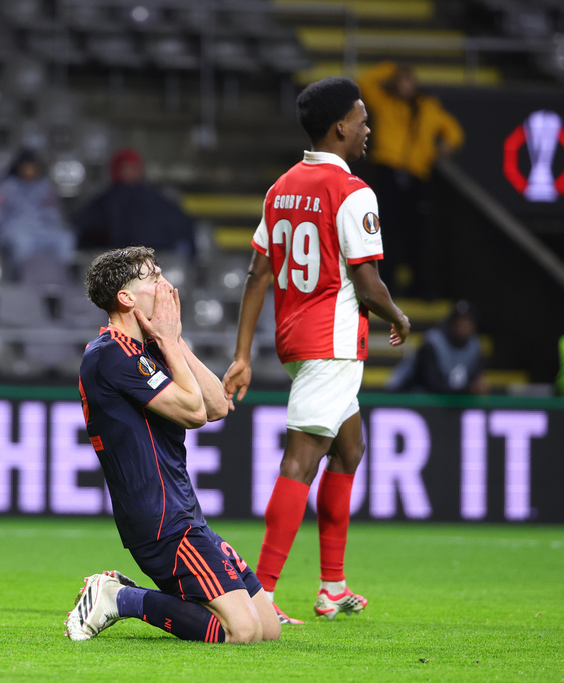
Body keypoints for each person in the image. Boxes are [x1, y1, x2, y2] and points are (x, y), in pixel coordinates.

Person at [222, 77, 411, 624]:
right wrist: (397, 317)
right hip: (331, 342)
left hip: (297, 340)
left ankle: (332, 586)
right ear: (339, 128)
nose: (368, 128)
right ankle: (262, 597)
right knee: (300, 462)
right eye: (362, 119)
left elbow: (258, 273)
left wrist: (241, 354)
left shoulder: (281, 188)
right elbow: (368, 283)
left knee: (350, 450)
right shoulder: (353, 192)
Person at [65, 246, 280, 645]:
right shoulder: (110, 353)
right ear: (126, 298)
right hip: (160, 520)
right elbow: (194, 413)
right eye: (154, 277)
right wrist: (167, 338)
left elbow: (217, 405)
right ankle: (119, 598)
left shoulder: (149, 348)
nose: (167, 286)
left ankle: (129, 597)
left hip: (185, 512)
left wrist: (172, 341)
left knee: (268, 628)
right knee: (242, 632)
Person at [358, 61, 464, 298]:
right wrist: (390, 67)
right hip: (387, 171)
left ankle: (420, 286)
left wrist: (440, 150)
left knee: (418, 233)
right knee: (386, 230)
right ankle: (388, 283)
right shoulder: (384, 102)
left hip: (417, 176)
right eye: (401, 80)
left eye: (409, 80)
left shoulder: (428, 106)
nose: (405, 85)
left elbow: (454, 132)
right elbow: (363, 82)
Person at [73, 148, 197, 260]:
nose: (132, 172)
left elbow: (183, 226)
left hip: (158, 258)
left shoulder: (154, 197)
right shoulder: (108, 200)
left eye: (134, 167)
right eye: (127, 167)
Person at [0, 147, 75, 279]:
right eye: (27, 166)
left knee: (66, 237)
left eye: (34, 166)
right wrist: (4, 223)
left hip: (40, 231)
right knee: (22, 242)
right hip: (13, 230)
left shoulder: (44, 187)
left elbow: (54, 216)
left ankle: (62, 278)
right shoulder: (5, 187)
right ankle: (20, 280)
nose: (30, 170)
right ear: (19, 166)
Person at [387, 300, 488, 394]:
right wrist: (468, 389)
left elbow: (475, 377)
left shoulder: (474, 345)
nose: (463, 325)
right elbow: (430, 383)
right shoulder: (432, 342)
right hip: (407, 393)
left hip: (448, 400)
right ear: (451, 323)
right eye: (459, 321)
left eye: (468, 321)